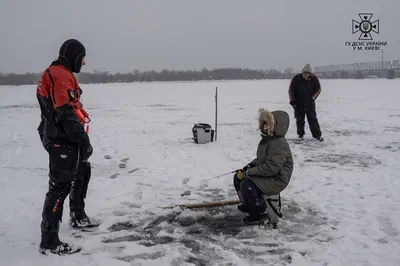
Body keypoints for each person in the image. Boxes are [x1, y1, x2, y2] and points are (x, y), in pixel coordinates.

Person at [36, 39, 99, 255]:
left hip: (63, 136)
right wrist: (83, 140)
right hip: (61, 138)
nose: (83, 63)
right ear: (73, 56)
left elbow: (71, 104)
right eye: (81, 58)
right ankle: (49, 240)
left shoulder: (59, 72)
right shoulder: (60, 75)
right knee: (60, 187)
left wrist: (80, 114)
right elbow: (64, 112)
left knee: (82, 170)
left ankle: (78, 216)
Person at [233, 109, 294, 225]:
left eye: (269, 124)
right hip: (270, 174)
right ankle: (249, 204)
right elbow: (261, 160)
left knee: (247, 184)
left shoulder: (279, 144)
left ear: (277, 127)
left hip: (277, 178)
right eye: (264, 124)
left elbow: (271, 168)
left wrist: (249, 173)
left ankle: (259, 212)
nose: (265, 127)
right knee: (238, 178)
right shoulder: (268, 140)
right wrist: (248, 167)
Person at [288, 63, 323, 141]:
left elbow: (318, 89)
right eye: (304, 73)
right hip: (298, 103)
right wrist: (292, 101)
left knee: (313, 120)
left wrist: (312, 98)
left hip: (309, 103)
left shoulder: (314, 79)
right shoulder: (296, 78)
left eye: (308, 74)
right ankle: (300, 135)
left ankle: (317, 136)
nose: (306, 75)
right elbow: (291, 90)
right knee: (299, 120)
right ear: (302, 72)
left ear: (310, 74)